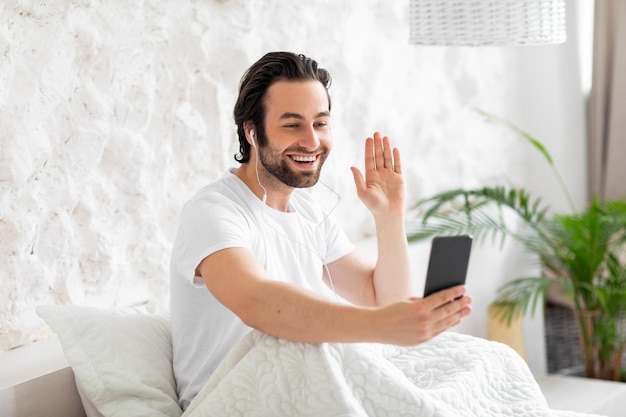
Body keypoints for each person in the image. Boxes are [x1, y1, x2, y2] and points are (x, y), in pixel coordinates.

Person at [170, 51, 473, 410]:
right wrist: (378, 326)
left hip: (301, 384)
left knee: (481, 363)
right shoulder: (214, 212)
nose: (312, 142)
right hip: (230, 398)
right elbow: (257, 302)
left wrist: (389, 217)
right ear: (252, 132)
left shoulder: (309, 211)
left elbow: (384, 300)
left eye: (320, 123)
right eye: (292, 124)